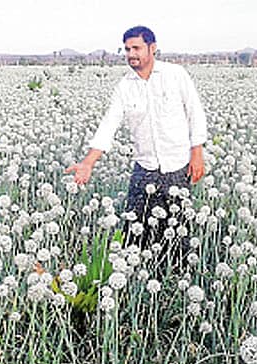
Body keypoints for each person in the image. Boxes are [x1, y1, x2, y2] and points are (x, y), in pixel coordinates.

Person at [65, 25, 208, 263]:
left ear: (152, 48)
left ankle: (176, 279)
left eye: (136, 48)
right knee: (135, 230)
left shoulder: (176, 74)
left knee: (179, 231)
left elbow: (195, 113)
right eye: (127, 49)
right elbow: (109, 124)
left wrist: (197, 154)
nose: (131, 54)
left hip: (178, 167)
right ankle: (137, 280)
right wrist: (88, 163)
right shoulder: (124, 86)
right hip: (145, 167)